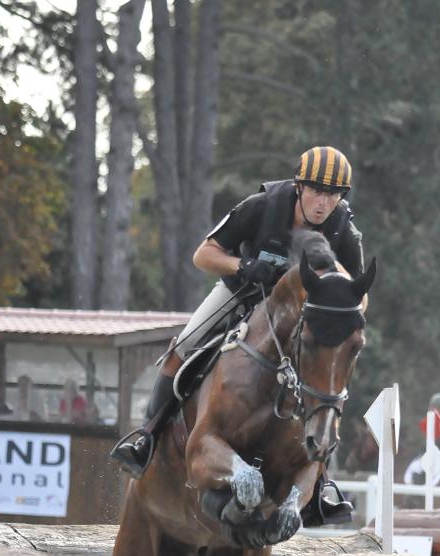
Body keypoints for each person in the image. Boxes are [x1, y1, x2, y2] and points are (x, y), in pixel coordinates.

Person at [111, 146, 365, 519]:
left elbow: (358, 292)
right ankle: (147, 437)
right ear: (299, 187)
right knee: (184, 346)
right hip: (240, 294)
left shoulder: (344, 229)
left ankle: (321, 482)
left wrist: (341, 318)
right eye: (316, 190)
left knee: (326, 373)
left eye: (333, 194)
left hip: (296, 317)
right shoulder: (261, 207)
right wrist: (242, 265)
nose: (324, 202)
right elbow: (203, 254)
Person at [404, 391, 440, 484]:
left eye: (433, 407)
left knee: (416, 469)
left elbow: (437, 442)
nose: (430, 409)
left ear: (439, 407)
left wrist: (422, 450)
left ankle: (418, 496)